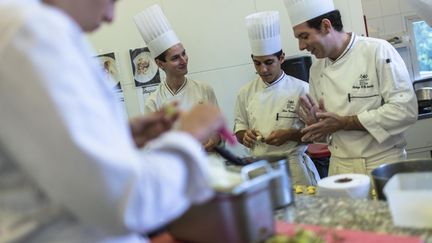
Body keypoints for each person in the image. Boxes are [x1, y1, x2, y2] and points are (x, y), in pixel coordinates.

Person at [0, 0, 225, 242]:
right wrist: (189, 137)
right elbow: (125, 200)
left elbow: (54, 157)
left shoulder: (29, 27)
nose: (110, 17)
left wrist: (120, 138)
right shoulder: (30, 30)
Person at [282, 0, 418, 176]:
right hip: (340, 167)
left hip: (383, 164)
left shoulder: (377, 51)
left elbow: (404, 110)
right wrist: (316, 126)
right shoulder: (316, 69)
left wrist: (345, 122)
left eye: (304, 36)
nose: (301, 46)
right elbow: (327, 134)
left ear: (325, 26)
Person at [234, 11, 320, 186]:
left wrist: (289, 135)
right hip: (260, 169)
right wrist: (246, 136)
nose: (263, 70)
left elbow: (317, 135)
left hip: (293, 168)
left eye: (268, 62)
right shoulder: (245, 92)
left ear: (281, 58)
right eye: (257, 63)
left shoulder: (301, 89)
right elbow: (239, 129)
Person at [134, 5, 221, 152]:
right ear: (160, 63)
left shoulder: (204, 90)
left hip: (210, 165)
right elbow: (154, 146)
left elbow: (220, 130)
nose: (184, 60)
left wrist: (214, 139)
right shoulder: (154, 102)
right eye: (175, 58)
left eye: (184, 53)